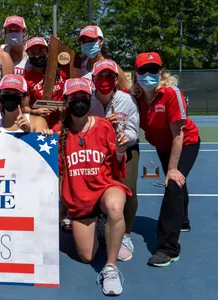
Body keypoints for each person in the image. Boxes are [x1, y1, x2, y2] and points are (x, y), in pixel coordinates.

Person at [48, 77, 130, 296]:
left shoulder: (104, 126)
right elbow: (54, 173)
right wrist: (44, 141)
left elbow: (117, 168)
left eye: (84, 97)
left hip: (105, 189)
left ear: (90, 99)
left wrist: (121, 151)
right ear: (66, 101)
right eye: (74, 98)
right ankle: (103, 228)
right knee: (87, 257)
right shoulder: (58, 131)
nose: (80, 101)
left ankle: (111, 268)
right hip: (80, 201)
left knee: (114, 206)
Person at [131, 52, 200, 267]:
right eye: (143, 70)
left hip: (185, 142)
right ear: (136, 74)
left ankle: (168, 248)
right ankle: (183, 220)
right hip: (162, 146)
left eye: (153, 70)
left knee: (173, 184)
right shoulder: (134, 96)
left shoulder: (172, 94)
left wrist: (172, 169)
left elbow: (178, 135)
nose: (148, 75)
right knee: (178, 183)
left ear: (161, 73)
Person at [89, 59, 140, 262]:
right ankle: (102, 222)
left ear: (116, 79)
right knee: (95, 186)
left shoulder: (126, 101)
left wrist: (122, 137)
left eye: (109, 76)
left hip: (125, 149)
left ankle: (126, 234)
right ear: (93, 79)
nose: (104, 80)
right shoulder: (88, 100)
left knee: (128, 188)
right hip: (97, 150)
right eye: (100, 76)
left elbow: (134, 132)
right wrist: (102, 125)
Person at [23, 37, 68, 128]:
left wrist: (65, 107)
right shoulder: (26, 79)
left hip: (64, 123)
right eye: (33, 53)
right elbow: (24, 107)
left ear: (47, 52)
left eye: (40, 51)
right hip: (42, 125)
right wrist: (35, 111)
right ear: (28, 55)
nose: (37, 56)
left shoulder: (62, 71)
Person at [77, 25, 127, 92]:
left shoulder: (113, 68)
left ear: (101, 41)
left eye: (91, 40)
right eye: (84, 41)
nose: (87, 44)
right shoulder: (78, 64)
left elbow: (126, 94)